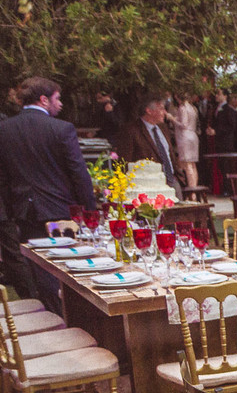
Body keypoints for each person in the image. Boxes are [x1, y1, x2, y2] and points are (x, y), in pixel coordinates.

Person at [0, 76, 96, 308]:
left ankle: (52, 312)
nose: (60, 104)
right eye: (57, 98)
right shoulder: (61, 128)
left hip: (25, 210)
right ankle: (69, 318)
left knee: (40, 269)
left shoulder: (4, 129)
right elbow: (78, 173)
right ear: (44, 100)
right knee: (68, 270)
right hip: (61, 210)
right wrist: (90, 212)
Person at [114, 93, 183, 197]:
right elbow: (124, 161)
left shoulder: (163, 128)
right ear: (149, 111)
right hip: (149, 187)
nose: (164, 113)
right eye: (161, 109)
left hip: (171, 181)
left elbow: (169, 153)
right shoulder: (132, 131)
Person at [204, 88, 236, 191]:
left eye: (219, 94)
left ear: (225, 96)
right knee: (221, 166)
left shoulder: (229, 110)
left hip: (226, 143)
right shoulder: (216, 109)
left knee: (227, 166)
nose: (216, 96)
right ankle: (224, 187)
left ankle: (229, 188)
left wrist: (216, 131)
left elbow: (231, 127)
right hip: (219, 143)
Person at [168, 92, 200, 190]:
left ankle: (192, 190)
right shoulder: (192, 108)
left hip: (185, 137)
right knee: (192, 165)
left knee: (188, 164)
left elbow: (184, 124)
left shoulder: (182, 108)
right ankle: (194, 187)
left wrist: (172, 119)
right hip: (193, 135)